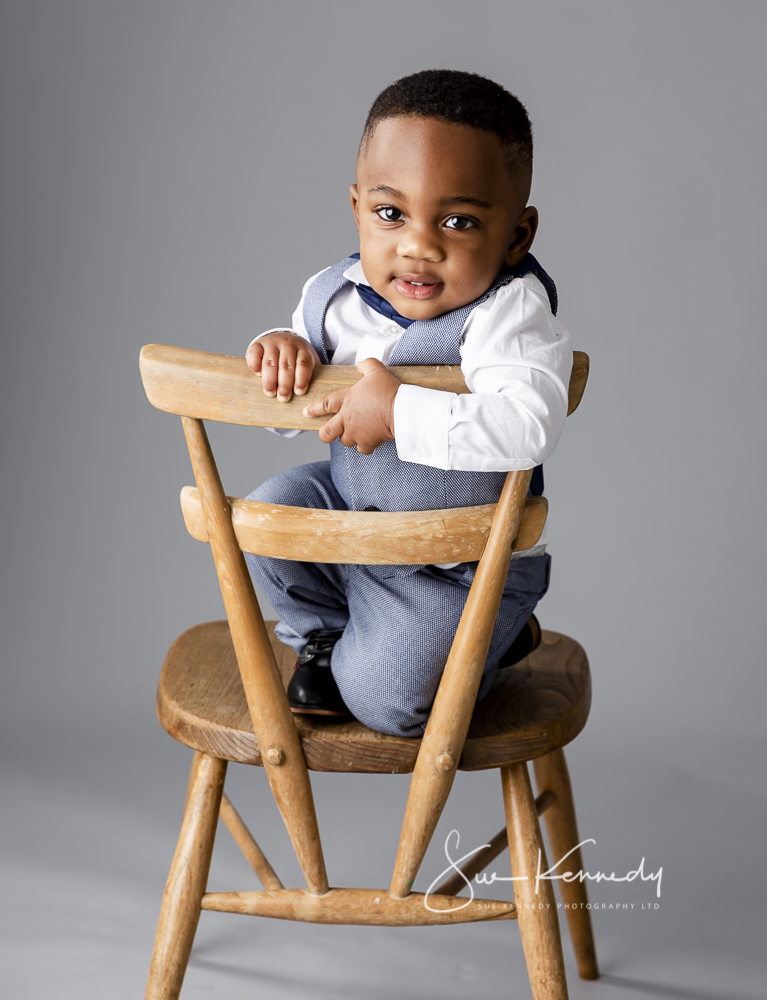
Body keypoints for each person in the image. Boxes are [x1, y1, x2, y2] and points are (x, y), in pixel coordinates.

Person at [244, 69, 572, 738]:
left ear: (515, 235)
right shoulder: (334, 294)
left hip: (448, 563)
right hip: (348, 515)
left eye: (458, 220)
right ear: (358, 206)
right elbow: (289, 403)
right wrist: (280, 350)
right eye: (390, 214)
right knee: (266, 514)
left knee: (390, 706)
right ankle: (328, 635)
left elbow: (529, 424)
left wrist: (402, 411)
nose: (417, 246)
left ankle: (492, 630)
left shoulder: (507, 314)